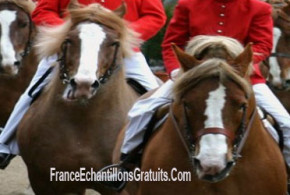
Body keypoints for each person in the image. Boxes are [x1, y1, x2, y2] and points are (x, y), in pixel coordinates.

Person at [103, 0, 290, 190]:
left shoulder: (259, 8)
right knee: (143, 109)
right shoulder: (188, 5)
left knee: (285, 123)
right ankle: (124, 165)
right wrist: (178, 70)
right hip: (192, 76)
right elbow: (172, 43)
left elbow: (263, 45)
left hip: (242, 77)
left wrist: (234, 65)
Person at [0, 0, 166, 169]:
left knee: (156, 97)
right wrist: (70, 31)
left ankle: (156, 151)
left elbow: (155, 16)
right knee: (32, 92)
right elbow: (42, 11)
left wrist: (120, 33)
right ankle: (5, 144)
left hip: (121, 48)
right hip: (70, 46)